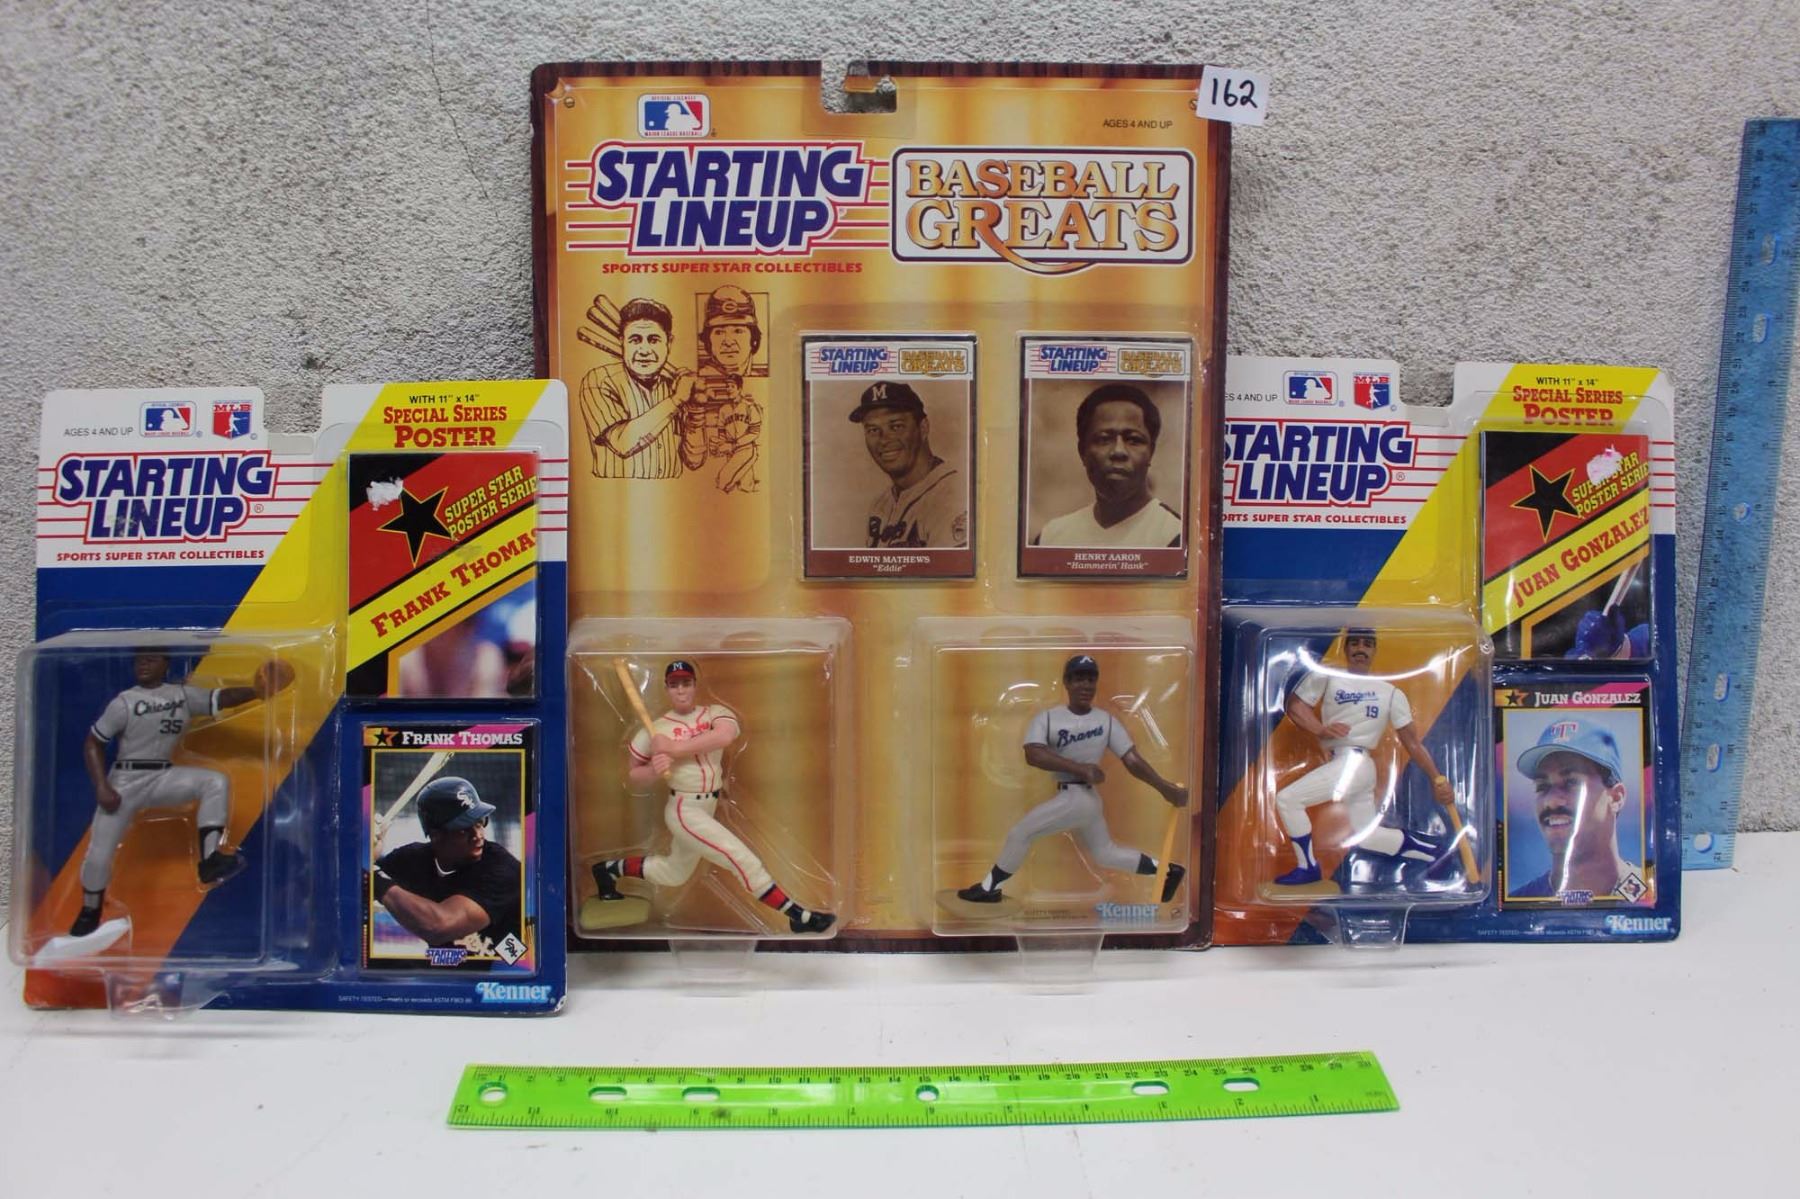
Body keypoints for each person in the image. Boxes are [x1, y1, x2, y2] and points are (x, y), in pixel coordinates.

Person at [590, 660, 835, 934]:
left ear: (695, 685)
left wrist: (674, 748)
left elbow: (724, 737)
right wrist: (653, 771)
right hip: (685, 810)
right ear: (666, 689)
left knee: (674, 873)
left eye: (686, 683)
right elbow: (633, 775)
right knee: (741, 858)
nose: (681, 690)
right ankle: (797, 916)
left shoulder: (714, 713)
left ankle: (608, 869)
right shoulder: (655, 729)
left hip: (709, 804)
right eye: (674, 685)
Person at [69, 649, 291, 938]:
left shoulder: (182, 696)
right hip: (125, 779)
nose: (143, 663)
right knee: (100, 851)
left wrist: (257, 691)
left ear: (166, 664)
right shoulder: (124, 701)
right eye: (139, 659)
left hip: (162, 775)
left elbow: (220, 698)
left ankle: (210, 861)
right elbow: (93, 743)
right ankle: (90, 910)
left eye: (151, 659)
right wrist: (101, 785)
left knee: (214, 782)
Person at [957, 655, 1187, 905]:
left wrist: (1165, 788)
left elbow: (1132, 760)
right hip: (1079, 796)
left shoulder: (1106, 721)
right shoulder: (1048, 717)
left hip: (1078, 799)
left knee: (1020, 833)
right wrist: (1079, 768)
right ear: (1066, 682)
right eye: (1079, 679)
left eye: (1091, 679)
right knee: (1105, 854)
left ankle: (989, 889)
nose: (1086, 685)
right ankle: (1167, 870)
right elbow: (1033, 754)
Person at [1272, 630, 1454, 886]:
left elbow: (1412, 743)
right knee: (1368, 837)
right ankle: (1436, 853)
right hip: (1347, 763)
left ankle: (1308, 867)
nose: (1360, 649)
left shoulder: (1390, 692)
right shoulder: (1329, 676)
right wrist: (1320, 729)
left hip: (1354, 763)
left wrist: (1437, 778)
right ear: (1345, 649)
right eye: (1355, 643)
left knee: (1288, 799)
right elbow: (1296, 706)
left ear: (1374, 650)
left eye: (1367, 644)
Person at [372, 776, 523, 951]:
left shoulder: (502, 869)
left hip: (512, 963)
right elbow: (355, 882)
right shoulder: (412, 859)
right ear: (436, 835)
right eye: (464, 829)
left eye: (480, 823)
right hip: (452, 965)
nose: (478, 835)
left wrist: (374, 876)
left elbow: (438, 927)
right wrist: (367, 850)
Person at [1034, 383, 1182, 548]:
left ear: (1151, 452)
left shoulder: (1175, 535)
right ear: (1082, 451)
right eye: (1103, 439)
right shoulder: (1051, 537)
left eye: (1133, 439)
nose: (1118, 451)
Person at [1511, 719, 1644, 901]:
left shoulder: (1649, 897)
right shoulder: (1519, 903)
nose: (1551, 801)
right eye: (1542, 786)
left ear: (1616, 798)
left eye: (1572, 782)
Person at [576, 297, 700, 479]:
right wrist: (676, 400)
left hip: (670, 493)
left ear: (669, 343)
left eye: (654, 340)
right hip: (615, 495)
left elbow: (694, 460)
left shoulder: (674, 384)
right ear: (622, 342)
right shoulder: (599, 380)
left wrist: (696, 412)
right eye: (635, 340)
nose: (644, 350)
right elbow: (622, 443)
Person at [849, 380, 967, 548]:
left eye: (896, 426)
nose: (884, 440)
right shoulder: (880, 505)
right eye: (873, 430)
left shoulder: (954, 496)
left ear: (923, 428)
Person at [683, 285, 764, 493]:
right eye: (719, 332)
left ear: (754, 339)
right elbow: (693, 461)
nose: (728, 341)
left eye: (738, 330)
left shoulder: (770, 380)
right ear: (708, 342)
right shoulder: (694, 386)